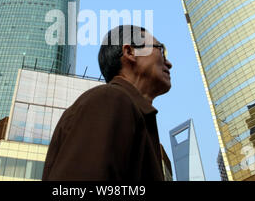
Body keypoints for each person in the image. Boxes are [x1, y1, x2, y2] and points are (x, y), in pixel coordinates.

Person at [42, 25, 172, 180]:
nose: (168, 63)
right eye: (161, 50)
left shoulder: (127, 108)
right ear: (130, 52)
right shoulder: (110, 100)